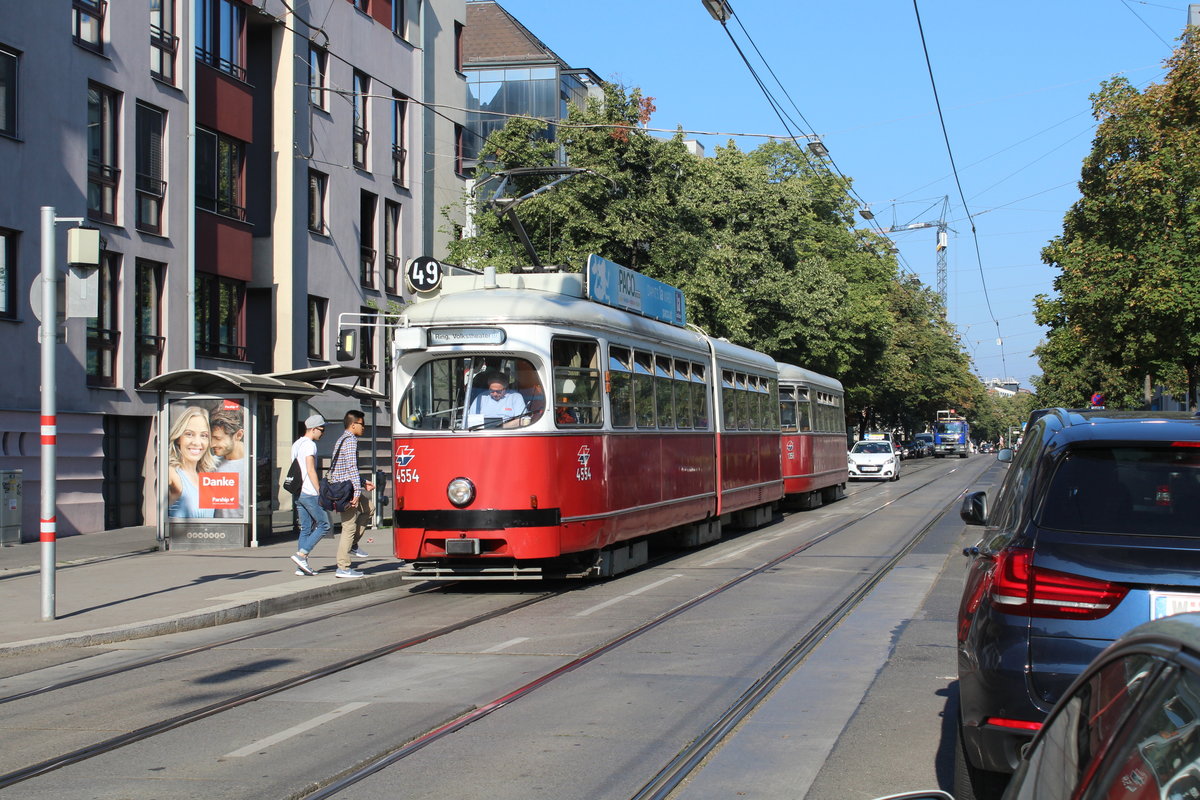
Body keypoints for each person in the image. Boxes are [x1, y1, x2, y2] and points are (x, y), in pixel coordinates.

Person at [327, 409, 377, 579]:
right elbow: (351, 468)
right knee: (348, 526)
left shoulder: (343, 439)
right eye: (362, 424)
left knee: (369, 508)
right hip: (346, 491)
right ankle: (343, 566)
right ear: (353, 424)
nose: (364, 428)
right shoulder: (350, 441)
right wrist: (357, 492)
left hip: (346, 486)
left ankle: (353, 544)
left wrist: (363, 483)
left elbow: (345, 470)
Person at [289, 414, 329, 576]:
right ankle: (301, 555)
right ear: (313, 429)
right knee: (324, 525)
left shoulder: (297, 444)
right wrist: (319, 491)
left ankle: (301, 567)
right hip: (309, 491)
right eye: (322, 429)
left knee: (305, 528)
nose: (323, 433)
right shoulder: (310, 445)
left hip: (298, 492)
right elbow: (310, 469)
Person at [167, 405, 216, 519]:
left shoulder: (207, 477)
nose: (197, 442)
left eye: (204, 435)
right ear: (179, 437)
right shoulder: (171, 473)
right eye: (189, 434)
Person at [209, 407, 245, 519]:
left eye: (218, 438)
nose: (212, 444)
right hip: (217, 531)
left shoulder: (252, 465)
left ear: (238, 435)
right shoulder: (210, 464)